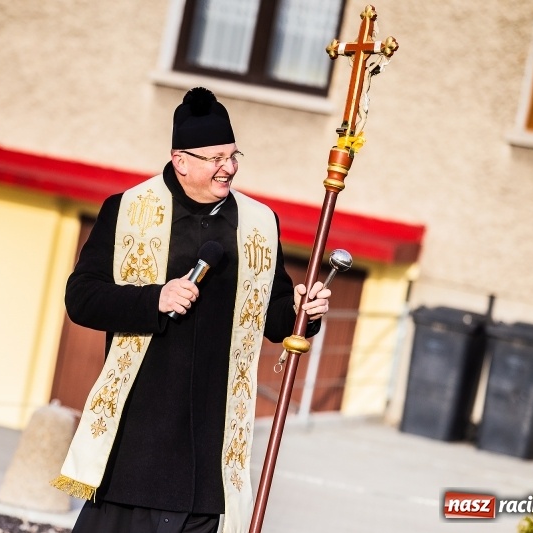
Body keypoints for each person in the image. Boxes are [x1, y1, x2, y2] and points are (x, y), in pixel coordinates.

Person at [53, 87, 331, 533]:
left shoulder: (259, 223)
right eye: (215, 158)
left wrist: (304, 310)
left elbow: (276, 320)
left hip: (212, 453)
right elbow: (81, 298)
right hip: (137, 450)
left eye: (234, 155)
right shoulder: (126, 211)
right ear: (181, 160)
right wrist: (153, 299)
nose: (229, 167)